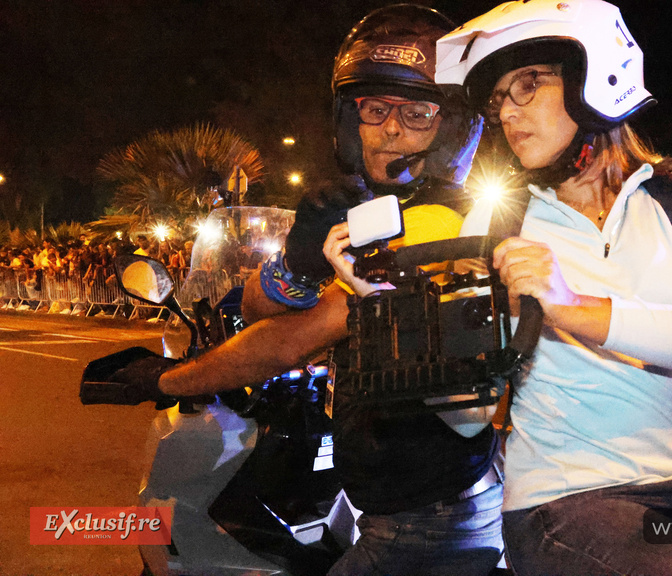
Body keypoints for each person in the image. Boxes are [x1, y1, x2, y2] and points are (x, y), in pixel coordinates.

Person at [121, 6, 504, 575]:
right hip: (413, 502)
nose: (391, 129)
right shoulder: (371, 214)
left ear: (449, 128)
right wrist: (299, 261)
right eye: (376, 110)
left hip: (423, 519)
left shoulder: (437, 223)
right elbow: (255, 307)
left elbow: (288, 341)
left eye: (417, 113)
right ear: (352, 120)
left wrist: (164, 378)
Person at [436, 0, 672, 574]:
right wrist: (428, 344)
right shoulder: (499, 225)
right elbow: (467, 419)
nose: (507, 114)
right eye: (499, 99)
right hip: (567, 505)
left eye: (528, 84)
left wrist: (571, 306)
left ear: (594, 78)